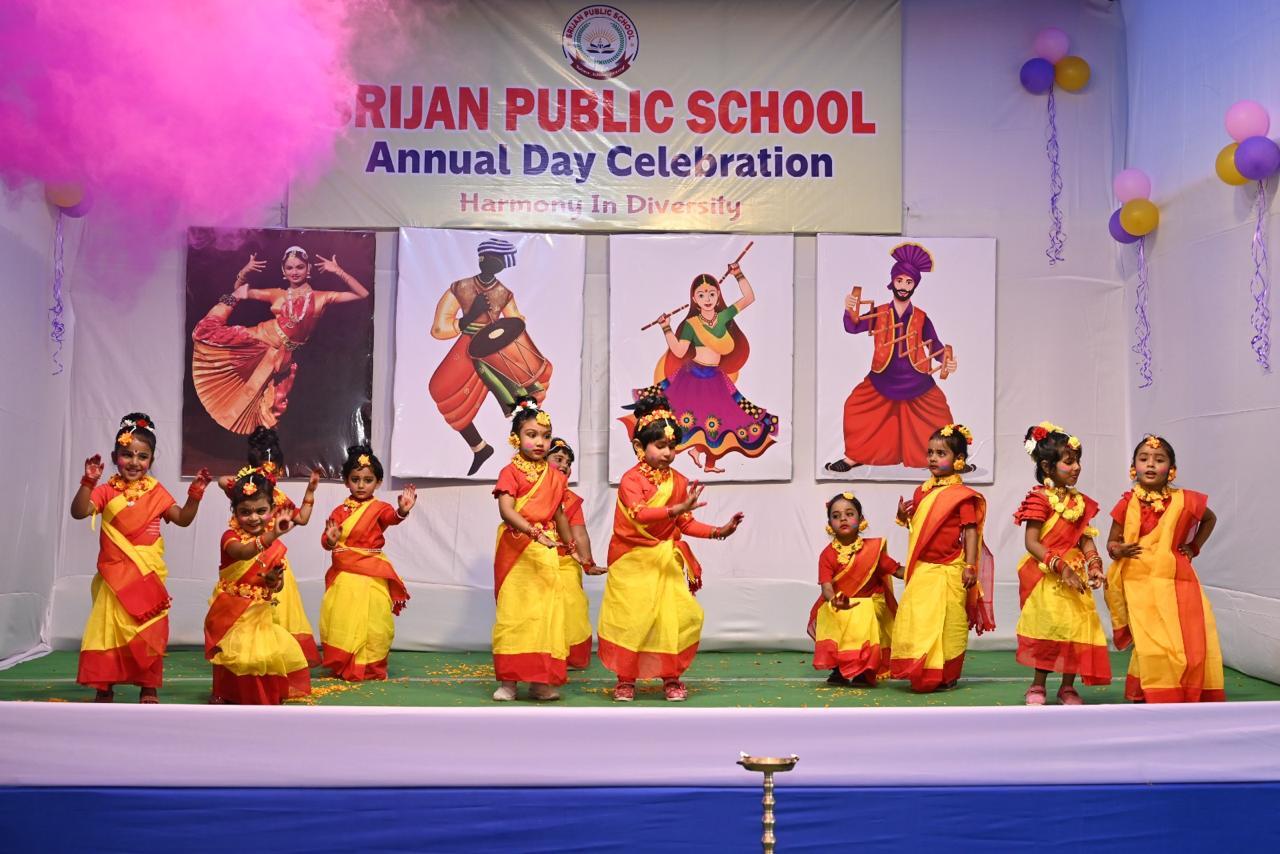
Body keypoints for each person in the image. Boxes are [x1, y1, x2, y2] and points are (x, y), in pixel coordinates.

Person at [598, 395, 744, 702]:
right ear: (639, 446)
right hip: (631, 562)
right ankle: (626, 680)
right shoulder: (631, 480)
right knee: (632, 621)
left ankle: (671, 677)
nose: (668, 452)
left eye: (673, 446)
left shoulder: (678, 481)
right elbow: (639, 513)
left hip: (664, 563)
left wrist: (720, 531)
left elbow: (685, 523)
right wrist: (675, 509)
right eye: (660, 445)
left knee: (673, 619)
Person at [69, 413, 211, 702]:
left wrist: (195, 495)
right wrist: (88, 482)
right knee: (109, 629)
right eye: (127, 454)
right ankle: (104, 684)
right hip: (114, 578)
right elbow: (79, 512)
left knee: (147, 629)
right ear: (115, 457)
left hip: (148, 575)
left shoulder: (156, 492)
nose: (134, 462)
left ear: (151, 460)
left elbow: (182, 519)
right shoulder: (107, 491)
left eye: (142, 456)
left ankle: (148, 685)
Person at [191, 245, 370, 434]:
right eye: (289, 268)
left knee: (274, 404)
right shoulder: (277, 294)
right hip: (259, 340)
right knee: (210, 335)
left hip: (282, 355)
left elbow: (363, 294)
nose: (294, 272)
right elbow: (239, 291)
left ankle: (265, 442)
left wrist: (338, 271)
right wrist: (244, 273)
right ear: (283, 271)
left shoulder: (321, 297)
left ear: (308, 269)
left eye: (300, 267)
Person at [627, 262, 778, 472]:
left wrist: (738, 274)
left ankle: (705, 459)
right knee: (694, 417)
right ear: (694, 299)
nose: (707, 299)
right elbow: (679, 351)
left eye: (711, 294)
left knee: (719, 418)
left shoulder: (723, 317)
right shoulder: (692, 324)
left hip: (715, 376)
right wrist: (666, 328)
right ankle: (698, 454)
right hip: (692, 375)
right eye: (701, 295)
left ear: (718, 296)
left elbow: (749, 298)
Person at [1105, 435, 1224, 703]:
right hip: (1139, 581)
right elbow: (1111, 543)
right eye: (1143, 459)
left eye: (1159, 460)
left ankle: (1182, 689)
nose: (1150, 464)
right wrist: (1118, 550)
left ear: (1171, 470)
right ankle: (1156, 690)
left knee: (1186, 637)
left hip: (1176, 580)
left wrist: (1193, 547)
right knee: (1150, 640)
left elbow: (1210, 518)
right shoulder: (1127, 502)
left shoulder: (1185, 500)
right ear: (1134, 467)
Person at [826, 243, 960, 472]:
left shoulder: (921, 317)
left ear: (914, 285)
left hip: (916, 378)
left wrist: (946, 361)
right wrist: (849, 309)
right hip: (883, 376)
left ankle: (951, 460)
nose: (904, 286)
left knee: (940, 414)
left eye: (909, 282)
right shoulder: (879, 312)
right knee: (854, 407)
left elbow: (935, 345)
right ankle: (855, 457)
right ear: (892, 282)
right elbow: (853, 327)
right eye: (900, 281)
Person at [429, 238, 554, 475]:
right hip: (468, 344)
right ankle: (480, 447)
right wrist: (470, 316)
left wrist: (508, 331)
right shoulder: (461, 287)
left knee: (527, 391)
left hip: (497, 345)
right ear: (481, 259)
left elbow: (515, 320)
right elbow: (438, 328)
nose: (494, 264)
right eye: (490, 258)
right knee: (440, 388)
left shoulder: (504, 292)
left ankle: (526, 449)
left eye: (499, 261)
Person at [491, 401, 589, 702]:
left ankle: (540, 682)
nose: (539, 442)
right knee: (515, 615)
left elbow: (559, 515)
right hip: (516, 549)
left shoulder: (555, 477)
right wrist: (534, 533)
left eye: (545, 436)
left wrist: (571, 550)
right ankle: (509, 683)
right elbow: (507, 511)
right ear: (515, 438)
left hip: (546, 552)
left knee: (546, 616)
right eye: (531, 435)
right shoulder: (510, 472)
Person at [888, 424, 994, 692]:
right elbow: (921, 530)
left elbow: (971, 532)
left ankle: (946, 673)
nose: (933, 458)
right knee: (919, 620)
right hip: (924, 570)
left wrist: (970, 566)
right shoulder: (922, 491)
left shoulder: (962, 497)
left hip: (951, 569)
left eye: (941, 453)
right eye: (930, 453)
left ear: (959, 460)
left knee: (949, 624)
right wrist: (903, 517)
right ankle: (921, 670)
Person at [1013, 423, 1111, 706]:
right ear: (1047, 466)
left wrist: (1094, 565)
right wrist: (1061, 567)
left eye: (1078, 460)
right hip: (1048, 579)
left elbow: (1085, 540)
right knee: (1047, 629)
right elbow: (1032, 542)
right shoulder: (1039, 499)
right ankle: (1038, 685)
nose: (1076, 467)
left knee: (1075, 631)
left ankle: (1067, 687)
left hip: (1075, 580)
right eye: (1069, 461)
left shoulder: (1079, 503)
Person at [217, 427, 322, 665]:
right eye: (262, 469)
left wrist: (310, 491)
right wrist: (249, 481)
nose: (267, 474)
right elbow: (222, 481)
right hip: (244, 555)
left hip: (273, 559)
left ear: (279, 471)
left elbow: (301, 518)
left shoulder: (278, 498)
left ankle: (280, 658)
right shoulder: (245, 490)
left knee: (279, 610)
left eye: (271, 471)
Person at [205, 471, 311, 704]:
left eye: (261, 511)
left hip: (259, 612)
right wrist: (271, 535)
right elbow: (242, 553)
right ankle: (224, 694)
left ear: (272, 509)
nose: (253, 518)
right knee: (231, 652)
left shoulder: (276, 546)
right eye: (245, 512)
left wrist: (273, 580)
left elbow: (278, 585)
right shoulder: (230, 536)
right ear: (234, 512)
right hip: (229, 609)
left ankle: (260, 697)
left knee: (260, 654)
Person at [318, 445, 416, 681]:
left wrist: (402, 511)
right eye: (355, 480)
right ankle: (343, 664)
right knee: (343, 619)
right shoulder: (339, 511)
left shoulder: (380, 508)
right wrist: (330, 540)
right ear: (346, 482)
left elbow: (391, 518)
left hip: (372, 575)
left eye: (368, 480)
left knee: (374, 621)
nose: (361, 485)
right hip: (345, 577)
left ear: (378, 482)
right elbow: (326, 541)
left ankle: (370, 666)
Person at [807, 492, 901, 686]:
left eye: (849, 514)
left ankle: (864, 671)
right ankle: (839, 669)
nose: (843, 518)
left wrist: (923, 570)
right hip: (839, 604)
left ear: (861, 519)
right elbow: (826, 589)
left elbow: (898, 571)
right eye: (836, 516)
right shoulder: (827, 555)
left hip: (870, 607)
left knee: (862, 611)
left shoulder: (873, 551)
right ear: (829, 524)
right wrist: (835, 601)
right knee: (828, 611)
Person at [547, 437, 605, 670]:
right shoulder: (528, 492)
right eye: (558, 459)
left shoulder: (570, 500)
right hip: (534, 560)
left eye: (568, 463)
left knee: (573, 605)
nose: (564, 466)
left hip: (565, 560)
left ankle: (572, 657)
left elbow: (579, 534)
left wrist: (588, 563)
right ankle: (542, 654)